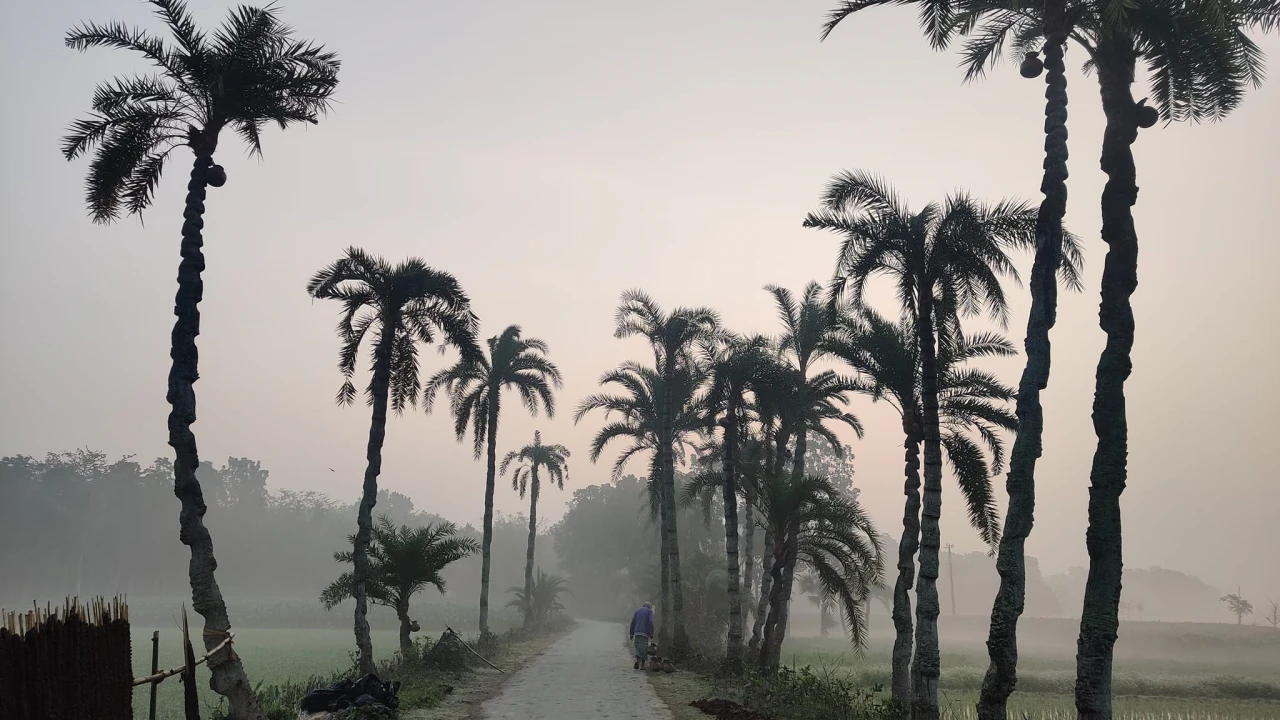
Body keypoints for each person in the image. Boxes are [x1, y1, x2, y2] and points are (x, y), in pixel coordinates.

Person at [628, 601, 655, 669]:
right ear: (649, 606)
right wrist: (651, 632)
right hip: (645, 633)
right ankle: (642, 666)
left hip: (637, 633)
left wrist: (631, 633)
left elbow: (633, 622)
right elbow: (650, 621)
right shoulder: (650, 611)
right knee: (644, 649)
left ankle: (637, 661)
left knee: (637, 648)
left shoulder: (637, 611)